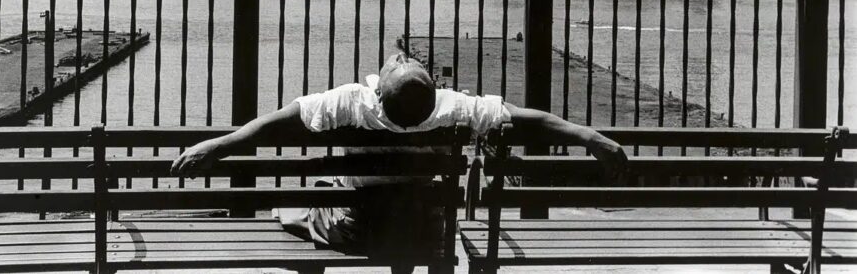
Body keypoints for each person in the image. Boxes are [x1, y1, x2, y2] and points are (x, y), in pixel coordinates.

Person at [171, 51, 628, 272]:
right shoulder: (451, 108)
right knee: (413, 207)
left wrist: (217, 145)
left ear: (379, 89)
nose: (399, 56)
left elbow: (277, 123)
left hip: (359, 229)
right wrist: (590, 137)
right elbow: (529, 121)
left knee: (306, 206)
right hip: (422, 230)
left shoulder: (351, 102)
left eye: (399, 61)